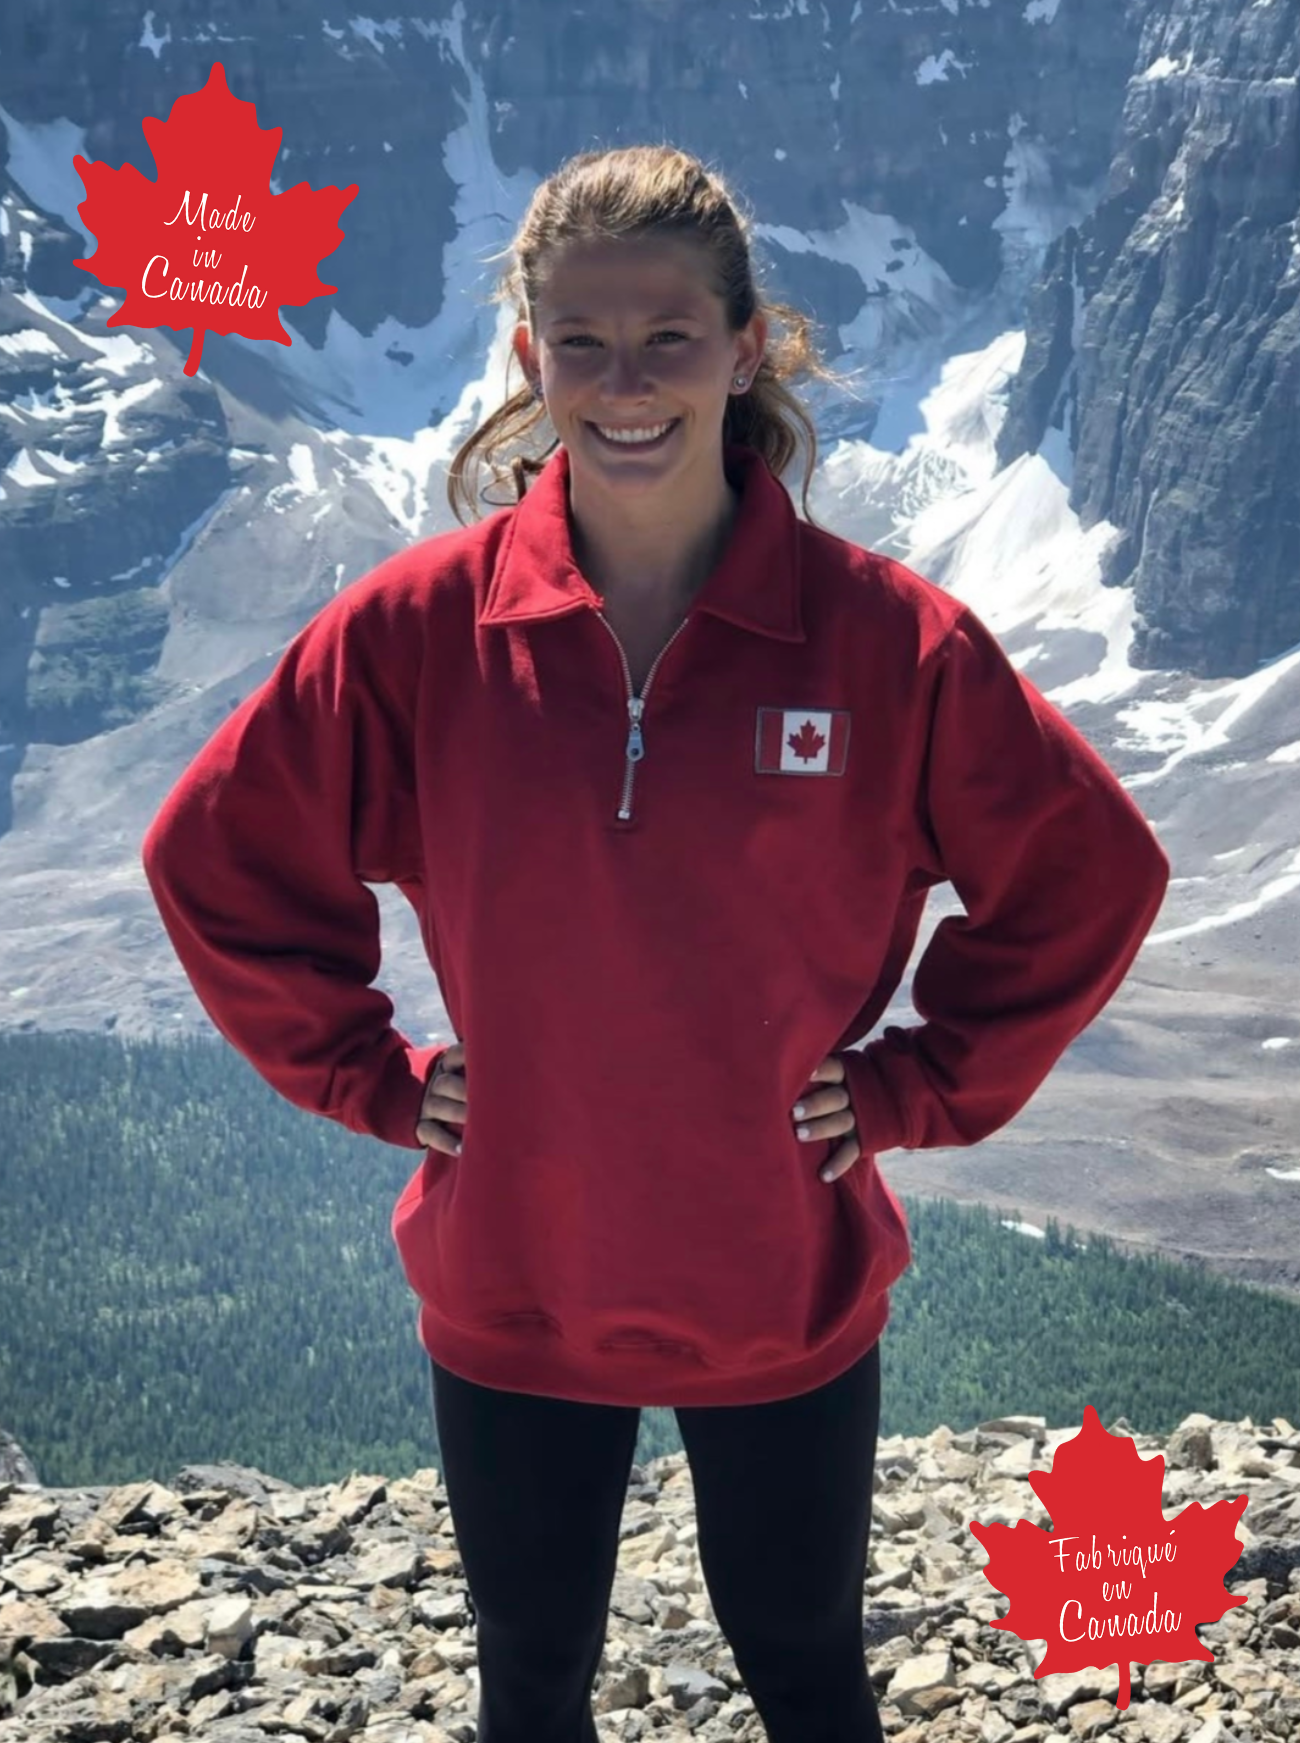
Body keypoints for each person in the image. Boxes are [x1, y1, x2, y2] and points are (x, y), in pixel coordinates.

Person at [141, 143, 1171, 1743]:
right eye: (581, 341)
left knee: (809, 1671)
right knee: (532, 1678)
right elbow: (213, 853)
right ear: (526, 354)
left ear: (747, 345)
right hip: (516, 1275)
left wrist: (917, 1087)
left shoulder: (888, 645)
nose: (624, 384)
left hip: (780, 1274)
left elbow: (1091, 871)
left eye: (669, 337)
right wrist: (368, 1075)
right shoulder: (421, 630)